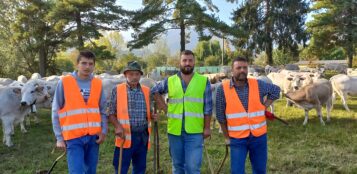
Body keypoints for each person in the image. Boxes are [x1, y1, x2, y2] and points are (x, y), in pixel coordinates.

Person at [215, 57, 280, 174]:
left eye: (244, 67)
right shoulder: (222, 89)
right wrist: (226, 137)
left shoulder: (257, 84)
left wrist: (264, 105)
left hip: (259, 137)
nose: (242, 70)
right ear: (232, 70)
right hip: (237, 139)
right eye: (238, 68)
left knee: (260, 170)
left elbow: (276, 90)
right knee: (237, 171)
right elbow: (220, 116)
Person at [151, 50, 212, 174]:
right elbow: (154, 91)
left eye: (190, 60)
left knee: (192, 167)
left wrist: (207, 128)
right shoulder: (170, 81)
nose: (187, 63)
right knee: (177, 166)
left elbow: (208, 107)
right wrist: (165, 108)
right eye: (184, 60)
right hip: (175, 131)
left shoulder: (203, 81)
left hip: (195, 131)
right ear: (180, 62)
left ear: (194, 62)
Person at [51, 50, 107, 174]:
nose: (87, 67)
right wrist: (59, 138)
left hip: (93, 137)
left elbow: (103, 110)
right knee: (76, 171)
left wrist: (103, 131)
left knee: (91, 171)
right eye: (84, 63)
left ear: (94, 65)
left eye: (90, 64)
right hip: (73, 137)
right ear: (77, 64)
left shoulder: (98, 83)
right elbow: (55, 110)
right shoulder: (64, 82)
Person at [108, 61, 157, 174]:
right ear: (125, 75)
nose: (134, 77)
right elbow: (110, 112)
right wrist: (117, 126)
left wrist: (153, 115)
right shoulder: (117, 90)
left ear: (140, 75)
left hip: (142, 136)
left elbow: (148, 112)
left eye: (137, 74)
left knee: (140, 168)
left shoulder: (146, 91)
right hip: (125, 136)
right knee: (121, 167)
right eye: (131, 74)